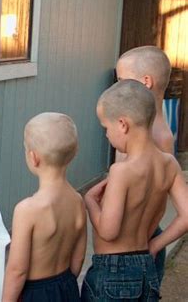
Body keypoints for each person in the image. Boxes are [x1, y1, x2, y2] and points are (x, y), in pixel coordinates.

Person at [82, 80, 188, 301]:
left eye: (106, 128)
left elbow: (109, 231)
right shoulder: (169, 164)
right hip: (146, 268)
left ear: (122, 124)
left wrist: (90, 201)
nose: (106, 135)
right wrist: (157, 244)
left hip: (112, 272)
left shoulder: (122, 171)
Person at [2, 112, 86, 302]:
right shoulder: (77, 201)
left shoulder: (27, 210)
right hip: (67, 286)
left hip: (35, 293)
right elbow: (78, 258)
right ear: (74, 153)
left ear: (33, 157)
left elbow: (17, 270)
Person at [115, 45, 180, 283]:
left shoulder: (155, 138)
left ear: (145, 82)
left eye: (122, 80)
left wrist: (156, 245)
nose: (117, 88)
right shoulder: (137, 130)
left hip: (137, 248)